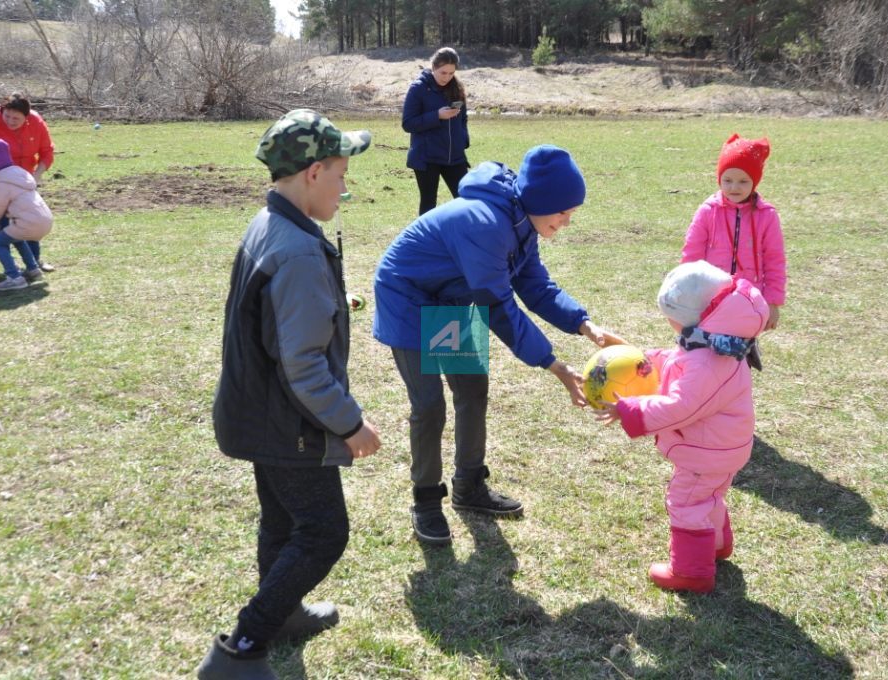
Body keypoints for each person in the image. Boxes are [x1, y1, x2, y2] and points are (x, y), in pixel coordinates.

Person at [197, 110, 382, 680]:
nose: (346, 185)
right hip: (289, 423)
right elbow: (301, 364)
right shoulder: (297, 251)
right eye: (342, 173)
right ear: (313, 171)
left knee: (281, 521)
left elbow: (284, 329)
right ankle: (242, 646)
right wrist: (351, 425)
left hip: (258, 413)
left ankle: (283, 615)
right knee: (324, 531)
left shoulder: (272, 223)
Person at [373, 144, 624, 546]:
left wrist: (585, 326)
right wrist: (553, 365)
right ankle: (425, 501)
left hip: (451, 298)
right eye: (563, 212)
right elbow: (499, 306)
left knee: (472, 390)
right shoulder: (486, 224)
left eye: (572, 212)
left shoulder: (523, 221)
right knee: (429, 405)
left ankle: (469, 486)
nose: (568, 221)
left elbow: (534, 286)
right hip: (409, 298)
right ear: (541, 202)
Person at [595, 260, 769, 594]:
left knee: (686, 502)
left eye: (670, 315)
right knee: (709, 497)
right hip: (721, 448)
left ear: (695, 316)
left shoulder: (708, 362)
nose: (669, 323)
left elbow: (682, 406)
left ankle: (691, 572)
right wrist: (635, 356)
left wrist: (630, 410)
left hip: (707, 452)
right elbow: (673, 361)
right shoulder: (712, 342)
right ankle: (715, 547)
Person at [680, 133, 786, 368]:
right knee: (705, 355)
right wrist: (687, 289)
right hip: (710, 296)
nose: (734, 187)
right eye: (728, 180)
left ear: (755, 182)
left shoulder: (767, 216)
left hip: (749, 299)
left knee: (736, 362)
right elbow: (691, 254)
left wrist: (773, 303)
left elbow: (775, 261)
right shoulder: (708, 211)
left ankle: (741, 367)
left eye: (743, 181)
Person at [0, 92, 56, 271]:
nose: (10, 121)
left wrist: (37, 175)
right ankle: (1, 266)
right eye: (7, 116)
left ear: (27, 117)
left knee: (28, 218)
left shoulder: (36, 122)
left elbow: (47, 152)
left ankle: (34, 262)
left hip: (24, 180)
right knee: (2, 221)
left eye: (16, 118)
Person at [0, 140, 53, 291]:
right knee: (16, 238)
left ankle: (14, 277)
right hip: (44, 220)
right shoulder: (19, 174)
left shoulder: (1, 185)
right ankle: (33, 269)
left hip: (29, 223)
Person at [402, 47, 470, 215]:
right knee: (428, 204)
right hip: (427, 158)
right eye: (443, 72)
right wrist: (437, 116)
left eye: (451, 73)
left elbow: (463, 118)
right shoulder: (418, 88)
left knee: (467, 200)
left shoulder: (457, 88)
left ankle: (466, 236)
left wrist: (463, 140)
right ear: (433, 67)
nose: (447, 77)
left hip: (455, 157)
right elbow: (408, 123)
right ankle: (425, 240)